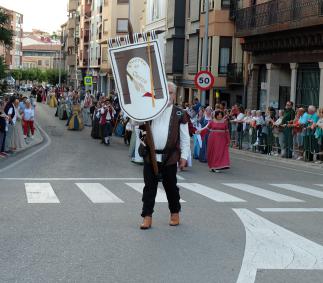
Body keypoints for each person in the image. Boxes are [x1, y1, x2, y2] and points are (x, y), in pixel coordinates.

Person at [139, 82, 190, 230]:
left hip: (170, 157)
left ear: (175, 95)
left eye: (171, 93)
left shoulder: (180, 114)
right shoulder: (150, 111)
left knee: (171, 187)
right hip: (151, 156)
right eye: (165, 92)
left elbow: (185, 138)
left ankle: (175, 213)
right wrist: (137, 112)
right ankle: (147, 216)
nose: (168, 96)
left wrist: (184, 157)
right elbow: (135, 124)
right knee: (149, 187)